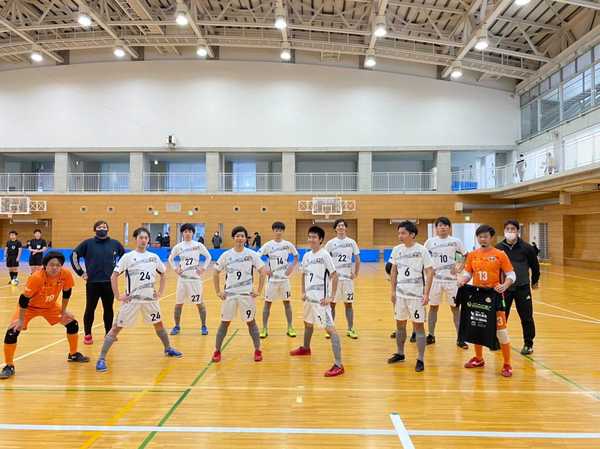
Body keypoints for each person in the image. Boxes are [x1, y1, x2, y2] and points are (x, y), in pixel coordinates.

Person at [95, 227, 182, 373]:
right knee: (116, 328)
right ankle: (101, 358)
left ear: (148, 240)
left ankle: (168, 348)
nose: (143, 240)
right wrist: (118, 296)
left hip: (150, 300)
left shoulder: (154, 257)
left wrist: (160, 291)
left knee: (159, 324)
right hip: (132, 300)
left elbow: (163, 274)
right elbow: (114, 276)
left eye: (146, 238)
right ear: (136, 239)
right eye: (141, 237)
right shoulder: (128, 257)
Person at [0, 252, 89, 379]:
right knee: (12, 331)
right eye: (51, 265)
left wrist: (63, 311)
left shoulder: (65, 275)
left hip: (50, 306)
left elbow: (67, 293)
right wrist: (20, 320)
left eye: (58, 265)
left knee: (72, 323)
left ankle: (73, 354)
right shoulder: (36, 278)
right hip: (30, 307)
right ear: (45, 265)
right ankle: (9, 366)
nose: (55, 268)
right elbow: (23, 300)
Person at [458, 224, 515, 378]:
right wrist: (463, 280)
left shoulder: (500, 254)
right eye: (480, 236)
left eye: (485, 236)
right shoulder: (472, 255)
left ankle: (507, 364)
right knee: (477, 326)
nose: (482, 239)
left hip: (495, 297)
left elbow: (511, 274)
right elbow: (468, 273)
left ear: (491, 238)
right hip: (477, 297)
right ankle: (478, 358)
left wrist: (505, 285)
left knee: (501, 332)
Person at [290, 225, 344, 377]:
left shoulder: (325, 255)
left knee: (330, 330)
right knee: (307, 324)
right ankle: (306, 348)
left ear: (321, 240)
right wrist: (302, 291)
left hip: (321, 301)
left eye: (314, 237)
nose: (311, 239)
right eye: (309, 236)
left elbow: (334, 275)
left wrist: (331, 297)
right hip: (309, 299)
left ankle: (339, 364)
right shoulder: (307, 256)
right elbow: (303, 274)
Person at [212, 226, 266, 363]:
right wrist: (218, 291)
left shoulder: (251, 254)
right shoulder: (226, 255)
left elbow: (263, 271)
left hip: (246, 295)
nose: (240, 238)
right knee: (224, 323)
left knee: (251, 322)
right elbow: (215, 272)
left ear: (245, 238)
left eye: (242, 236)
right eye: (237, 236)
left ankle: (258, 350)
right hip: (230, 295)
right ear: (233, 238)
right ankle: (217, 351)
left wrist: (258, 290)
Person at [388, 221, 433, 372]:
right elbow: (393, 271)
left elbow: (429, 272)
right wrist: (393, 291)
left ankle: (420, 359)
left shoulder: (422, 250)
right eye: (399, 233)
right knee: (399, 325)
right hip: (401, 295)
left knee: (418, 326)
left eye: (403, 233)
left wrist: (426, 293)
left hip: (416, 296)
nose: (400, 236)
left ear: (412, 234)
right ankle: (400, 353)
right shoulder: (396, 250)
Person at [71, 220, 125, 345]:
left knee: (108, 309)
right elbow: (74, 255)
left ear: (108, 229)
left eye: (104, 227)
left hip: (109, 283)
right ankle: (88, 334)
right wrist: (81, 272)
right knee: (90, 308)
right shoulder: (87, 243)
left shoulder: (115, 244)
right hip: (93, 283)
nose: (102, 228)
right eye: (100, 227)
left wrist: (118, 271)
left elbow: (124, 258)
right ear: (95, 229)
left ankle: (108, 333)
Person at [496, 220, 540, 355]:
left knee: (526, 317)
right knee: (502, 316)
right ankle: (498, 341)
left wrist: (534, 280)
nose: (510, 231)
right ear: (504, 231)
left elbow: (535, 265)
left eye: (513, 229)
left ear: (517, 231)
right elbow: (495, 268)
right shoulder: (498, 248)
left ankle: (528, 344)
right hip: (505, 289)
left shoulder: (527, 248)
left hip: (522, 287)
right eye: (507, 229)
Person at [424, 217, 467, 349]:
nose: (443, 228)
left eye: (445, 225)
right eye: (440, 225)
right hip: (435, 280)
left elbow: (463, 255)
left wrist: (459, 267)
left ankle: (460, 337)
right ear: (436, 228)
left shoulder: (455, 241)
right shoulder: (430, 242)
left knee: (455, 308)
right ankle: (431, 335)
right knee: (433, 307)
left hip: (451, 281)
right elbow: (425, 258)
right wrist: (428, 272)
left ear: (449, 227)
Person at [168, 223, 211, 336]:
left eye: (190, 231)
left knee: (200, 304)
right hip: (182, 280)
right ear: (182, 233)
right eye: (185, 231)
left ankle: (203, 326)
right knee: (178, 304)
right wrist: (175, 269)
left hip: (195, 280)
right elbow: (170, 259)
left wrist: (203, 268)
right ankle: (177, 326)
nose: (187, 233)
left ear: (193, 233)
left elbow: (208, 257)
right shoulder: (179, 246)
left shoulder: (198, 245)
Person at [258, 221, 299, 339]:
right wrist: (265, 269)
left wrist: (291, 267)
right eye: (276, 230)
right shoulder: (268, 245)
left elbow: (296, 257)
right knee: (267, 304)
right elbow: (257, 257)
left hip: (284, 280)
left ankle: (290, 327)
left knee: (287, 303)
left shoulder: (288, 245)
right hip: (272, 280)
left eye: (280, 230)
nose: (278, 232)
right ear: (273, 231)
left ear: (283, 231)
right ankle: (264, 328)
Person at [324, 219, 360, 339]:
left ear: (345, 228)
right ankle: (330, 328)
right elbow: (325, 259)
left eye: (343, 225)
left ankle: (350, 329)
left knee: (348, 304)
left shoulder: (351, 242)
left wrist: (355, 273)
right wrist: (327, 273)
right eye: (339, 225)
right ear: (335, 228)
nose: (341, 227)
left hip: (347, 280)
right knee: (332, 304)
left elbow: (357, 258)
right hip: (335, 279)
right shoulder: (330, 243)